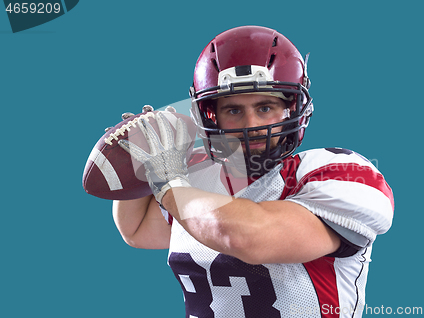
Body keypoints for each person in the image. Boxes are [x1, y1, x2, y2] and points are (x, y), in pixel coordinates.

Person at [113, 25, 394, 318]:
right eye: (233, 111)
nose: (251, 124)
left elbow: (247, 239)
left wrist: (167, 181)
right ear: (210, 116)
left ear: (292, 107)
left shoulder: (340, 174)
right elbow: (136, 230)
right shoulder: (197, 181)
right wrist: (139, 158)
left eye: (265, 107)